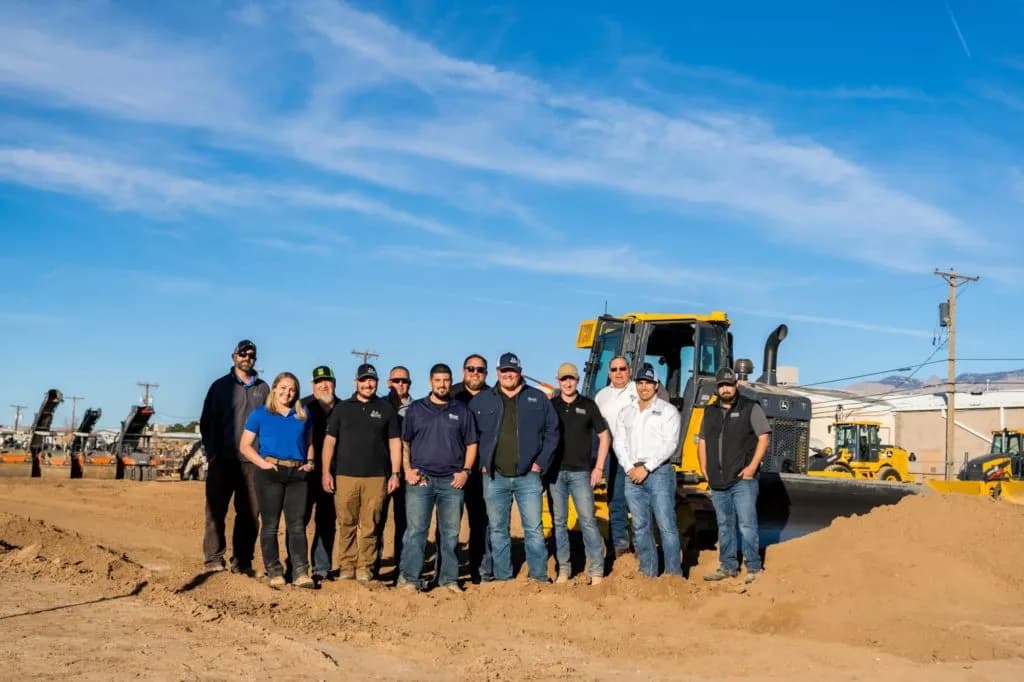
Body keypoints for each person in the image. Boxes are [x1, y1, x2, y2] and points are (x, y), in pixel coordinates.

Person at [471, 352, 558, 583]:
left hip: (528, 476)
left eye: (513, 370)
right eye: (504, 371)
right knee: (498, 530)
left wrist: (540, 462)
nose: (508, 375)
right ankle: (503, 578)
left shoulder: (537, 398)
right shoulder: (482, 400)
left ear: (520, 372)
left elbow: (553, 432)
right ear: (498, 373)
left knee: (534, 529)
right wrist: (481, 462)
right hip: (494, 476)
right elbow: (470, 436)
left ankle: (538, 575)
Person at [399, 363, 478, 593]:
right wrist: (407, 469)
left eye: (446, 380)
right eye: (438, 380)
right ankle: (410, 579)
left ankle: (448, 580)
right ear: (430, 382)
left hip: (452, 482)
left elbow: (471, 444)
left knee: (450, 533)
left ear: (450, 381)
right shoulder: (416, 409)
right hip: (421, 479)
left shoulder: (462, 411)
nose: (442, 385)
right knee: (416, 531)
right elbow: (406, 441)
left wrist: (465, 471)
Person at [322, 364, 401, 582]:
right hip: (345, 476)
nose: (368, 384)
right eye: (364, 380)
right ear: (356, 382)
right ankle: (347, 567)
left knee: (370, 525)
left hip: (376, 478)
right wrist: (326, 472)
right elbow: (329, 442)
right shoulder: (342, 408)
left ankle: (365, 568)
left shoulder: (386, 409)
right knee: (346, 524)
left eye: (372, 380)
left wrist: (395, 473)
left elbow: (395, 443)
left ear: (377, 382)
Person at [239, 372, 316, 589]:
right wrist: (262, 463)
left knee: (297, 526)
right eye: (283, 388)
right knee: (270, 525)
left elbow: (310, 441)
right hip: (270, 473)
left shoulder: (302, 414)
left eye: (291, 389)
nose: (287, 393)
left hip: (297, 475)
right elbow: (245, 445)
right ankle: (274, 571)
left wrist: (310, 462)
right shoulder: (260, 414)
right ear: (274, 389)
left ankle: (301, 572)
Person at [199, 339, 270, 575]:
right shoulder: (219, 387)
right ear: (234, 357)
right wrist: (212, 453)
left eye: (251, 355)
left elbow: (269, 423)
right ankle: (213, 558)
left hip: (252, 463)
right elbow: (206, 422)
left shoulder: (264, 389)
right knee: (216, 511)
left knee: (250, 514)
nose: (247, 358)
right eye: (243, 354)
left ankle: (242, 561)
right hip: (224, 460)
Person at [698, 366, 770, 584]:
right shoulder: (709, 412)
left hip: (742, 480)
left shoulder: (750, 407)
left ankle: (754, 568)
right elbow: (702, 441)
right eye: (721, 385)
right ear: (717, 388)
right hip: (718, 481)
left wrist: (751, 468)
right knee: (724, 525)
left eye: (729, 385)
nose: (725, 389)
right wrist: (704, 468)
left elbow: (764, 437)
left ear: (736, 385)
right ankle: (728, 566)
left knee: (747, 524)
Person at [613, 362, 683, 578]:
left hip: (658, 473)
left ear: (656, 385)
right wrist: (628, 467)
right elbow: (619, 442)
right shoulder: (627, 412)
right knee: (641, 526)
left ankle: (673, 574)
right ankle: (648, 573)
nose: (644, 387)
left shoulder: (668, 411)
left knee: (666, 524)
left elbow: (670, 444)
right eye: (640, 383)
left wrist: (647, 467)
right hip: (631, 474)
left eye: (648, 383)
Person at [549, 362, 610, 585]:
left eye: (571, 379)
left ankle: (596, 571)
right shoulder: (551, 406)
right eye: (564, 379)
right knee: (559, 522)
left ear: (577, 381)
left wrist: (598, 467)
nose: (568, 383)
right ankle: (563, 570)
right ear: (558, 380)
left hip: (581, 474)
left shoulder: (588, 405)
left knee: (587, 520)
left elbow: (604, 436)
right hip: (555, 474)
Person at [451, 354, 492, 583]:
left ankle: (480, 571)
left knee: (481, 523)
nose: (475, 372)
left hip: (481, 472)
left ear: (486, 373)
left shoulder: (493, 396)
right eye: (471, 368)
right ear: (463, 371)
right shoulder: (452, 395)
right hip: (454, 471)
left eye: (480, 369)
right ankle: (446, 573)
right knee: (449, 525)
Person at [594, 355, 636, 557]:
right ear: (609, 372)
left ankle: (642, 545)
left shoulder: (639, 390)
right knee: (616, 498)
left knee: (639, 499)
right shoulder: (601, 396)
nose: (618, 373)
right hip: (612, 453)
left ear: (629, 370)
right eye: (614, 369)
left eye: (622, 368)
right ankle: (620, 546)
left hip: (636, 452)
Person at [300, 365, 339, 583]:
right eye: (318, 382)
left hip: (332, 474)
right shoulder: (303, 407)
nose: (323, 385)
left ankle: (322, 568)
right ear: (313, 386)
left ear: (334, 383)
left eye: (327, 381)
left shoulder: (344, 408)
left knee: (326, 521)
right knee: (300, 521)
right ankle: (297, 566)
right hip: (306, 474)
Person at [377, 365, 413, 579]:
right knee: (376, 521)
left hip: (407, 473)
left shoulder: (418, 408)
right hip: (381, 472)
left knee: (405, 523)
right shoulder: (380, 406)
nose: (401, 384)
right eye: (396, 380)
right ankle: (373, 568)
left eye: (404, 381)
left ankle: (403, 568)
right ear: (389, 382)